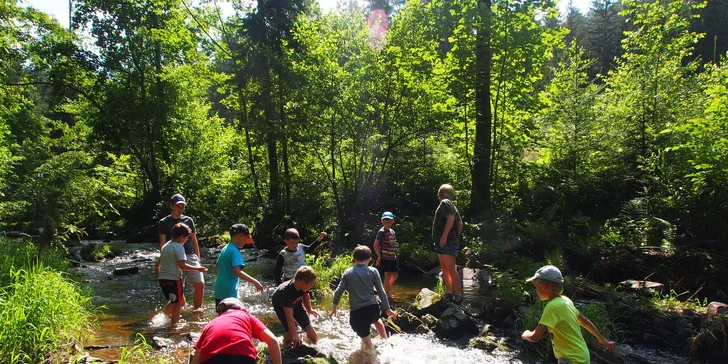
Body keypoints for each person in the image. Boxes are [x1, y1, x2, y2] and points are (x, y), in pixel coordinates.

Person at [521, 265, 617, 364]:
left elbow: (535, 337)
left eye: (536, 287)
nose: (536, 290)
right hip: (582, 356)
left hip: (570, 360)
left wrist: (526, 334)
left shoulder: (552, 307)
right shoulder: (566, 301)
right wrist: (601, 339)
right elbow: (584, 321)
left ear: (544, 287)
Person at [330, 245, 397, 349]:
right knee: (377, 319)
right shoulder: (373, 271)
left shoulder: (348, 272)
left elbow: (338, 291)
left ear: (354, 260)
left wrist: (334, 309)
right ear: (370, 259)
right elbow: (381, 291)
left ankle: (370, 355)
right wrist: (388, 309)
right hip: (373, 310)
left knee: (367, 345)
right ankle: (385, 342)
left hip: (357, 314)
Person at [190, 297, 282, 364]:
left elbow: (196, 359)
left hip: (213, 358)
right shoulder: (247, 316)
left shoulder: (210, 324)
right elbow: (273, 341)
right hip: (243, 357)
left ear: (220, 312)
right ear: (242, 309)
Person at [158, 193, 205, 311]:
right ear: (171, 205)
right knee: (178, 291)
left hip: (189, 254)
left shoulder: (188, 220)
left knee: (200, 283)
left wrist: (197, 258)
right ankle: (166, 316)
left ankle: (197, 310)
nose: (181, 209)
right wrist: (164, 261)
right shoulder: (164, 222)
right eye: (178, 206)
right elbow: (163, 244)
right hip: (173, 257)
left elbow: (194, 240)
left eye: (183, 206)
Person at [158, 223, 208, 328]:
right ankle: (174, 326)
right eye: (187, 238)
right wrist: (198, 268)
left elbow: (159, 264)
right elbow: (182, 265)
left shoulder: (166, 246)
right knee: (178, 304)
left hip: (163, 279)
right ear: (182, 237)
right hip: (173, 279)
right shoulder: (179, 247)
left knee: (173, 300)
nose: (186, 241)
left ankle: (163, 318)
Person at [213, 224, 264, 306]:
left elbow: (217, 268)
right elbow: (237, 272)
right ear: (240, 236)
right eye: (246, 238)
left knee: (221, 316)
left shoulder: (225, 248)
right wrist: (255, 282)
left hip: (219, 290)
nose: (246, 242)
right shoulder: (234, 251)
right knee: (232, 317)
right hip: (229, 292)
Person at [271, 265, 320, 346]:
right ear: (303, 283)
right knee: (291, 331)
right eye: (311, 284)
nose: (312, 286)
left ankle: (316, 347)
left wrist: (310, 309)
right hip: (281, 305)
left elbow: (306, 295)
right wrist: (295, 335)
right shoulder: (286, 293)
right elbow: (289, 317)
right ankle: (285, 346)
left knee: (309, 329)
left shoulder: (302, 286)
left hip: (296, 302)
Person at [431, 184, 464, 304]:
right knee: (445, 268)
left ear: (440, 193)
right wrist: (455, 237)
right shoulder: (452, 205)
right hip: (443, 242)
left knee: (450, 269)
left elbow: (450, 219)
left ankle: (458, 295)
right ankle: (449, 292)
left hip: (446, 242)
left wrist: (446, 236)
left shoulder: (445, 202)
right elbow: (460, 224)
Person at [373, 211, 400, 301]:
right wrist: (380, 256)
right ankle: (387, 294)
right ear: (382, 221)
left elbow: (393, 244)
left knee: (395, 275)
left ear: (393, 221)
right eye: (385, 222)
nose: (387, 223)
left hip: (393, 257)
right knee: (387, 275)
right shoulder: (381, 232)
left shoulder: (392, 231)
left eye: (389, 222)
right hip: (385, 257)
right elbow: (375, 245)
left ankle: (385, 289)